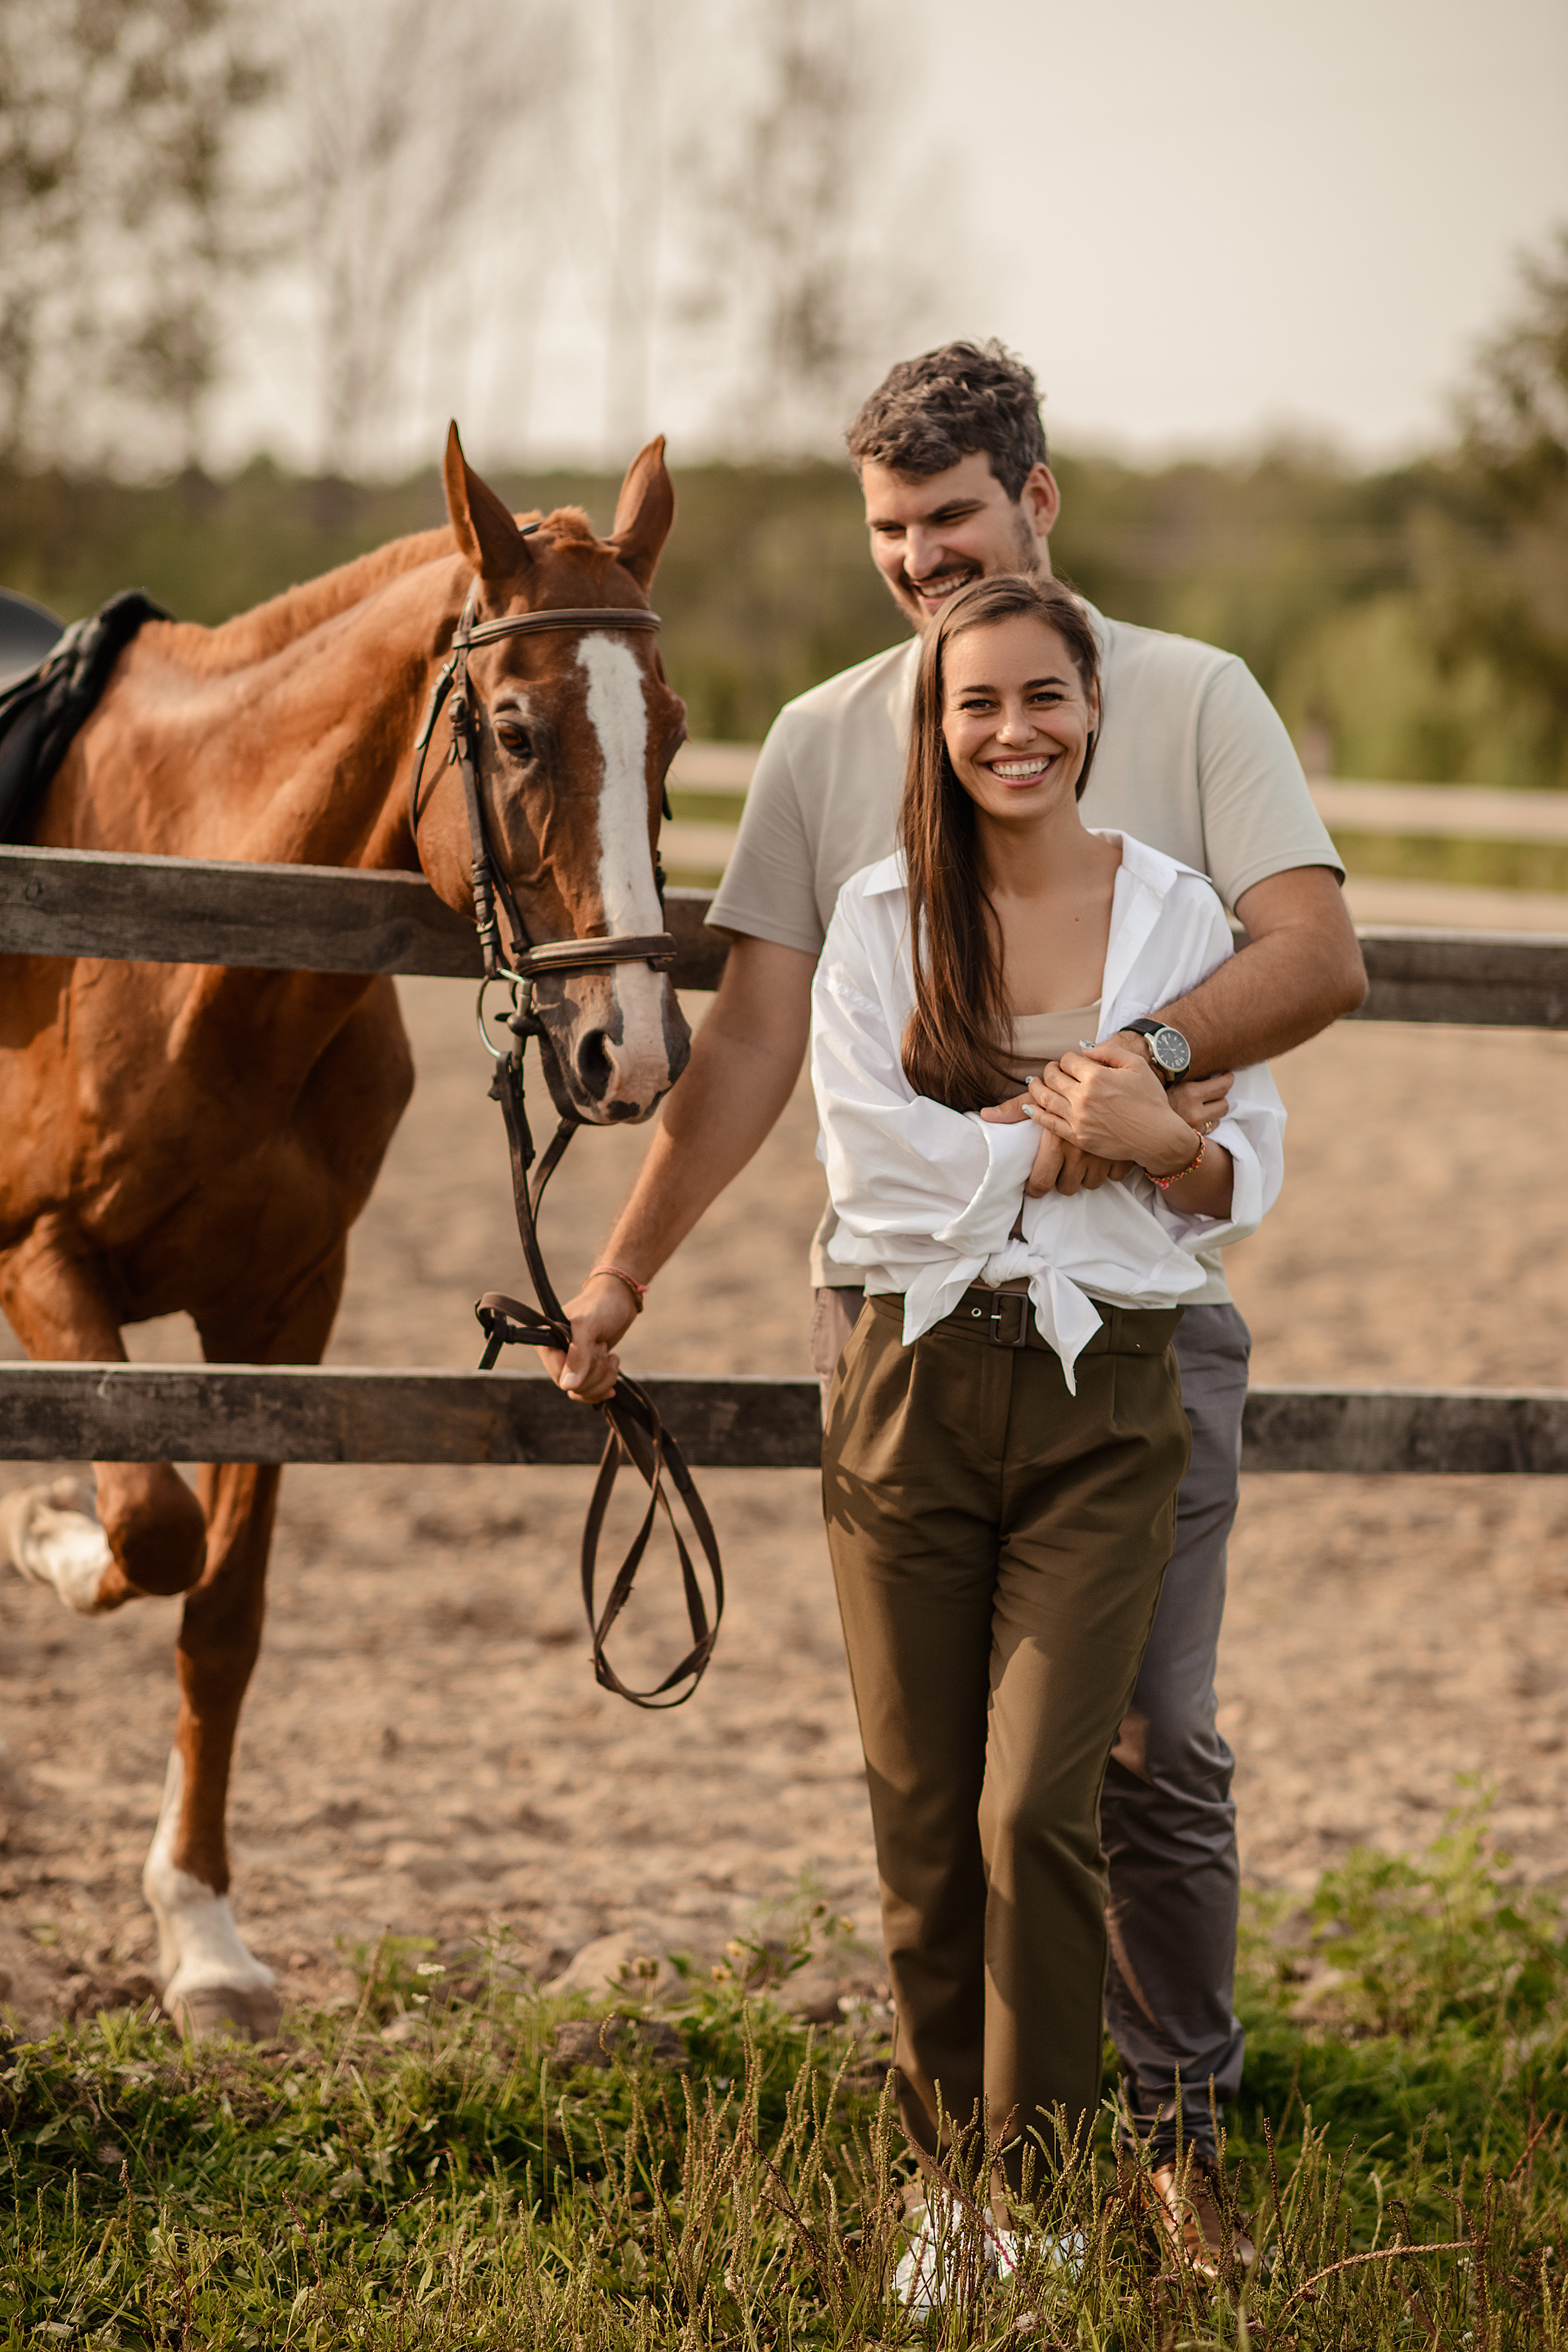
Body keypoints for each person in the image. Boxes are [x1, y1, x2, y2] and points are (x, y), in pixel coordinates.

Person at [545, 341, 1366, 2264]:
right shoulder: (835, 738)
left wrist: (1133, 1081)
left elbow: (1312, 951)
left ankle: (1171, 2136)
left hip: (1132, 1318)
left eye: (954, 521)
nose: (919, 562)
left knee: (1148, 1746)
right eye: (891, 531)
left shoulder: (1190, 697)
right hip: (906, 1327)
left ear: (1040, 503)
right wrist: (628, 1264)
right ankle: (984, 2179)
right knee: (934, 1795)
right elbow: (758, 1045)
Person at [813, 570, 1284, 2266]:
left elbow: (1243, 1171)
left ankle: (1045, 2187)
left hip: (1108, 1396)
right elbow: (881, 1173)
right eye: (973, 704)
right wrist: (1086, 1127)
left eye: (1041, 697)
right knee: (924, 1813)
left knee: (1038, 1806)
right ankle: (950, 2197)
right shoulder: (877, 919)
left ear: (1094, 708)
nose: (1010, 731)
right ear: (932, 732)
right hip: (908, 1384)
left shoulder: (1177, 918)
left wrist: (1162, 1144)